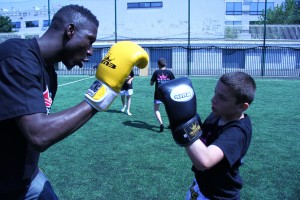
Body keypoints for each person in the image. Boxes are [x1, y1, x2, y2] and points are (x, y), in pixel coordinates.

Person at [0, 4, 149, 199]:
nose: (90, 51)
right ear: (70, 30)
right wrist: (102, 94)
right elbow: (39, 134)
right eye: (89, 41)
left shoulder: (49, 73)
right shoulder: (16, 57)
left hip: (24, 177)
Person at [157, 72, 256, 199]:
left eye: (222, 97)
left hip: (219, 195)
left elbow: (204, 161)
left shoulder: (237, 132)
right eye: (215, 93)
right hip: (201, 186)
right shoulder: (217, 114)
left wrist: (182, 124)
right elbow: (200, 138)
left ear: (242, 107)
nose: (214, 99)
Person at [150, 58, 175, 132]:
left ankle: (161, 124)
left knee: (156, 109)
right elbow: (173, 83)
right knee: (169, 110)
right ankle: (171, 124)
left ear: (158, 64)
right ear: (165, 64)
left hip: (158, 94)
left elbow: (151, 84)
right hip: (168, 94)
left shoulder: (156, 72)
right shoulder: (170, 72)